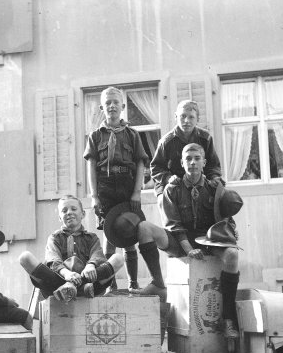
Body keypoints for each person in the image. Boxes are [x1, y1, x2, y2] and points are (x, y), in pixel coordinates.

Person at [119, 143, 242, 339]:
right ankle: (158, 283)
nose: (192, 163)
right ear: (182, 164)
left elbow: (226, 221)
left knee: (233, 255)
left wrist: (227, 237)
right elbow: (173, 224)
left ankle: (228, 318)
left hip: (208, 241)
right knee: (143, 228)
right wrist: (188, 248)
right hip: (179, 241)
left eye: (197, 158)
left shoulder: (215, 189)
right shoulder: (172, 189)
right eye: (188, 159)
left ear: (204, 162)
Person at [84, 86, 148, 292]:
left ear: (123, 106)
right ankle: (110, 285)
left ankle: (133, 283)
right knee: (109, 237)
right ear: (102, 107)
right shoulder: (95, 136)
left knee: (129, 234)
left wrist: (137, 191)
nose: (112, 106)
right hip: (105, 188)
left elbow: (140, 163)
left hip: (127, 187)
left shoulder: (132, 135)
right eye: (108, 103)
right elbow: (91, 166)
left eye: (115, 102)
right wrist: (94, 196)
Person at [19, 195, 123, 302]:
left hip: (88, 280)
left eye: (73, 209)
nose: (69, 212)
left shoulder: (92, 238)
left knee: (118, 259)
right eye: (64, 211)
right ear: (60, 217)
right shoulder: (54, 238)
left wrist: (91, 265)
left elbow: (97, 255)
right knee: (25, 257)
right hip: (58, 282)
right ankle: (76, 288)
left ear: (83, 214)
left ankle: (76, 288)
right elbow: (53, 259)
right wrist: (66, 274)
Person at [150, 99, 222, 221]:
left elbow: (213, 164)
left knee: (222, 194)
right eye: (182, 116)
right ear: (175, 117)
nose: (186, 121)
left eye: (191, 117)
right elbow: (156, 168)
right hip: (174, 182)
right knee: (163, 200)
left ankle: (216, 231)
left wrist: (215, 178)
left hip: (198, 180)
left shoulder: (205, 138)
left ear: (197, 119)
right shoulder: (166, 142)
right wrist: (168, 178)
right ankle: (173, 232)